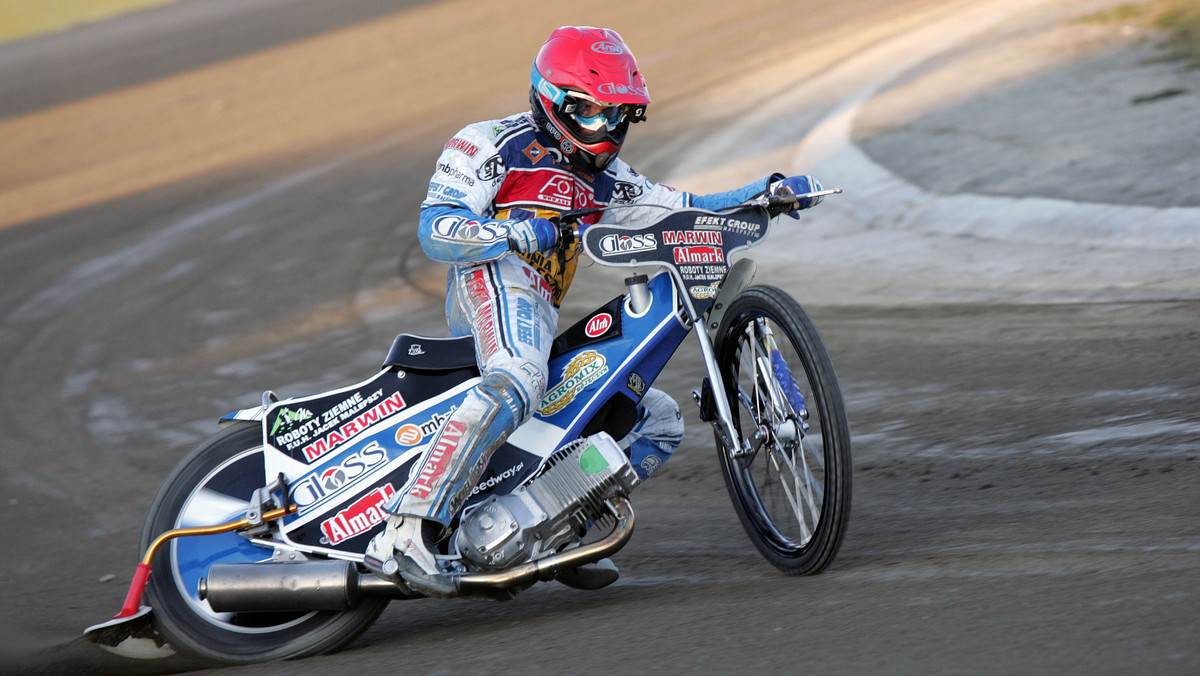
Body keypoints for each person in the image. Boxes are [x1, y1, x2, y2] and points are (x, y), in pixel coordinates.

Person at [365, 25, 824, 597]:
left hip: (538, 306)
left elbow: (684, 209)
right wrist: (513, 235)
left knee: (658, 419)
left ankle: (552, 531)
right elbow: (435, 230)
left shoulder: (610, 181)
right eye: (589, 113)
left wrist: (768, 191)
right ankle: (408, 529)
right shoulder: (485, 142)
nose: (605, 132)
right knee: (521, 377)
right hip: (494, 278)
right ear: (551, 100)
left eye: (618, 117)